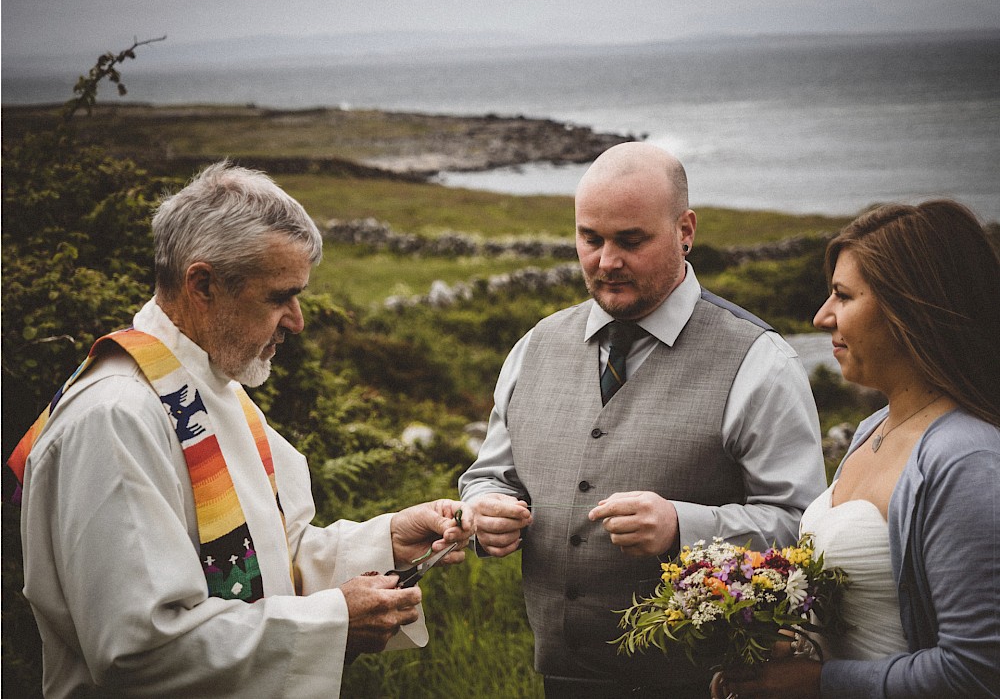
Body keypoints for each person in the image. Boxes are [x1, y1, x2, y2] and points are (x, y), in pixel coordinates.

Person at [5, 161, 472, 697]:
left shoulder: (209, 387)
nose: (297, 320)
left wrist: (384, 543)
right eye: (279, 297)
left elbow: (264, 561)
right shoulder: (115, 418)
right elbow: (138, 650)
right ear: (202, 284)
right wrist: (334, 621)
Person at [458, 142, 827, 697]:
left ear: (686, 230)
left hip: (708, 684)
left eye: (631, 241)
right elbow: (490, 476)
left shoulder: (761, 362)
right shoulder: (533, 348)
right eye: (591, 239)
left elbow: (803, 527)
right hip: (561, 680)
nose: (606, 261)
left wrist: (685, 527)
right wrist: (480, 513)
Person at [714, 200, 1000, 698]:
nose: (822, 316)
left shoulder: (965, 460)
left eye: (843, 297)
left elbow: (976, 672)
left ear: (910, 308)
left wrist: (820, 682)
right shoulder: (873, 428)